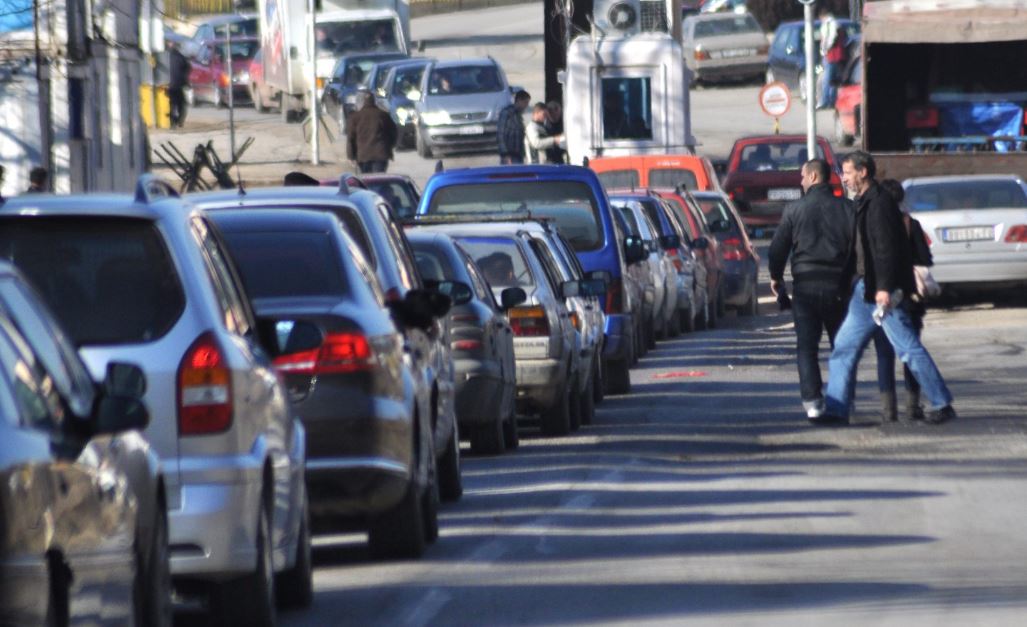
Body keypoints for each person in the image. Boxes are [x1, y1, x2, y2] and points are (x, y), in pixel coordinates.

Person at [821, 151, 956, 426]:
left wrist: (884, 287)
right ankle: (836, 409)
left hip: (881, 293)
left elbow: (886, 249)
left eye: (847, 173)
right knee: (843, 349)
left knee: (907, 348)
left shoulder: (879, 203)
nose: (843, 178)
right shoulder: (863, 202)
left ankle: (942, 403)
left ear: (863, 172)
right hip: (863, 292)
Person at [768, 158, 854, 420]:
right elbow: (857, 247)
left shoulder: (794, 210)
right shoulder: (848, 208)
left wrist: (776, 278)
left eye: (803, 177)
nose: (801, 181)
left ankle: (813, 403)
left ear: (814, 177)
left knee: (807, 347)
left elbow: (778, 248)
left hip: (805, 287)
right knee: (842, 347)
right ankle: (842, 400)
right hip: (839, 286)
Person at [872, 178, 935, 422]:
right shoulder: (911, 224)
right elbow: (925, 258)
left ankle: (888, 409)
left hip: (882, 295)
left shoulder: (874, 223)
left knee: (884, 353)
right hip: (909, 296)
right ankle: (912, 405)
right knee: (911, 351)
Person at [346, 90, 398, 174]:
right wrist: (389, 146)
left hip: (363, 155)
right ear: (374, 101)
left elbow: (351, 138)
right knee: (379, 180)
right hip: (381, 154)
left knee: (366, 181)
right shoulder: (383, 115)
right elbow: (394, 132)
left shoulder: (355, 117)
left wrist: (351, 156)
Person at [817, 8, 847, 109]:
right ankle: (832, 101)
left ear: (822, 16)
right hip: (838, 56)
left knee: (826, 79)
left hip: (831, 55)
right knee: (833, 80)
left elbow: (830, 38)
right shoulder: (836, 23)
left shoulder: (829, 24)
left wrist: (825, 50)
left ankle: (826, 101)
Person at [497, 90, 531, 165]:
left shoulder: (518, 116)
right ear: (519, 100)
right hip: (509, 155)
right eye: (525, 102)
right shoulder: (506, 113)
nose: (526, 106)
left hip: (518, 154)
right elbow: (501, 135)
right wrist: (505, 154)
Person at [167, 41, 190, 128]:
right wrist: (184, 80)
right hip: (178, 85)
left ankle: (173, 122)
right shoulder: (180, 57)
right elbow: (187, 68)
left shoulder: (164, 57)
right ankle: (179, 121)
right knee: (181, 104)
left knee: (171, 105)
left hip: (167, 85)